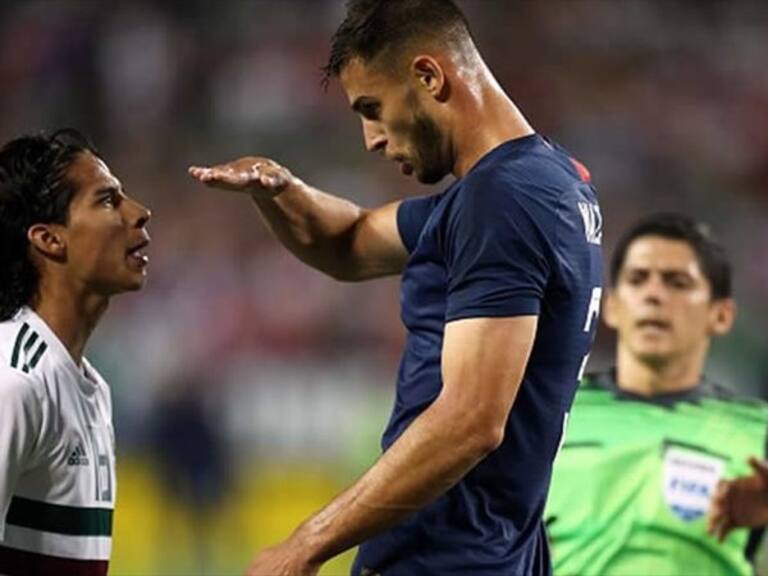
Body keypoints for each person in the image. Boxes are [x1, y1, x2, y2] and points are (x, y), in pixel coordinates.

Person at [190, 0, 602, 574]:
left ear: (429, 77)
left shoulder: (502, 202)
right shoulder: (543, 183)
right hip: (493, 549)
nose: (371, 139)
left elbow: (470, 421)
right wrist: (278, 190)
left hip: (448, 557)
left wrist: (304, 544)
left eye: (372, 108)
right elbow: (350, 241)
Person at [545, 213, 768, 576]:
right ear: (612, 307)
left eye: (677, 283)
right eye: (637, 279)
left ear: (722, 315)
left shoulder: (757, 429)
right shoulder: (554, 412)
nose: (653, 295)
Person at [0, 129, 151, 576]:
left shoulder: (89, 387)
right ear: (49, 239)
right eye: (107, 201)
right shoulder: (14, 381)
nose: (140, 213)